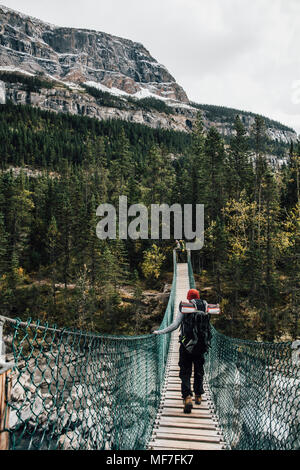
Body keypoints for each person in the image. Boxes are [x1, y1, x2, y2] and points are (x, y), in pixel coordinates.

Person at [153, 288, 210, 414]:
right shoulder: (206, 306)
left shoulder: (185, 307)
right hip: (201, 345)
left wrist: (160, 332)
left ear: (189, 298)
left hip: (186, 345)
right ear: (198, 297)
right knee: (199, 370)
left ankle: (187, 397)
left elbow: (175, 325)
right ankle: (198, 395)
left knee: (185, 372)